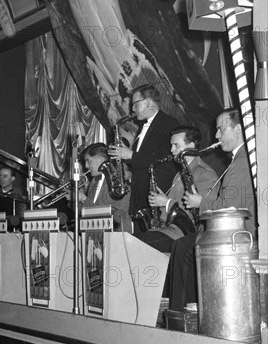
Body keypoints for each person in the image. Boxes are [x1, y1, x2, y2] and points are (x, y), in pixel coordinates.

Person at [169, 109, 257, 310]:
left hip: (238, 236)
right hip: (235, 233)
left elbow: (232, 208)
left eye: (221, 129)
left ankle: (183, 312)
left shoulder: (243, 162)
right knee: (183, 246)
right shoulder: (241, 158)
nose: (216, 136)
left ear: (239, 129)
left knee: (183, 248)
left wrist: (201, 203)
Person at [131, 126, 218, 252]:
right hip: (168, 230)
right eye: (171, 145)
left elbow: (199, 215)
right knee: (127, 241)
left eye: (176, 145)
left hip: (184, 236)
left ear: (191, 146)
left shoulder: (205, 174)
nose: (171, 150)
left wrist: (166, 203)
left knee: (132, 244)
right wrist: (159, 205)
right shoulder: (180, 173)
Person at [108, 85, 179, 230]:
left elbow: (163, 159)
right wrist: (131, 173)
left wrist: (131, 155)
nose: (133, 109)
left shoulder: (169, 123)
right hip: (141, 195)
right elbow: (145, 159)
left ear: (149, 102)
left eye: (136, 104)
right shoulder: (143, 127)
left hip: (156, 194)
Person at [79, 142, 132, 232]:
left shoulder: (119, 181)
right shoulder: (94, 181)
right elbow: (87, 212)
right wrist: (76, 200)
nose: (86, 166)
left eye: (88, 161)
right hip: (95, 233)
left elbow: (112, 212)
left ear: (101, 159)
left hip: (117, 234)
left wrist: (83, 199)